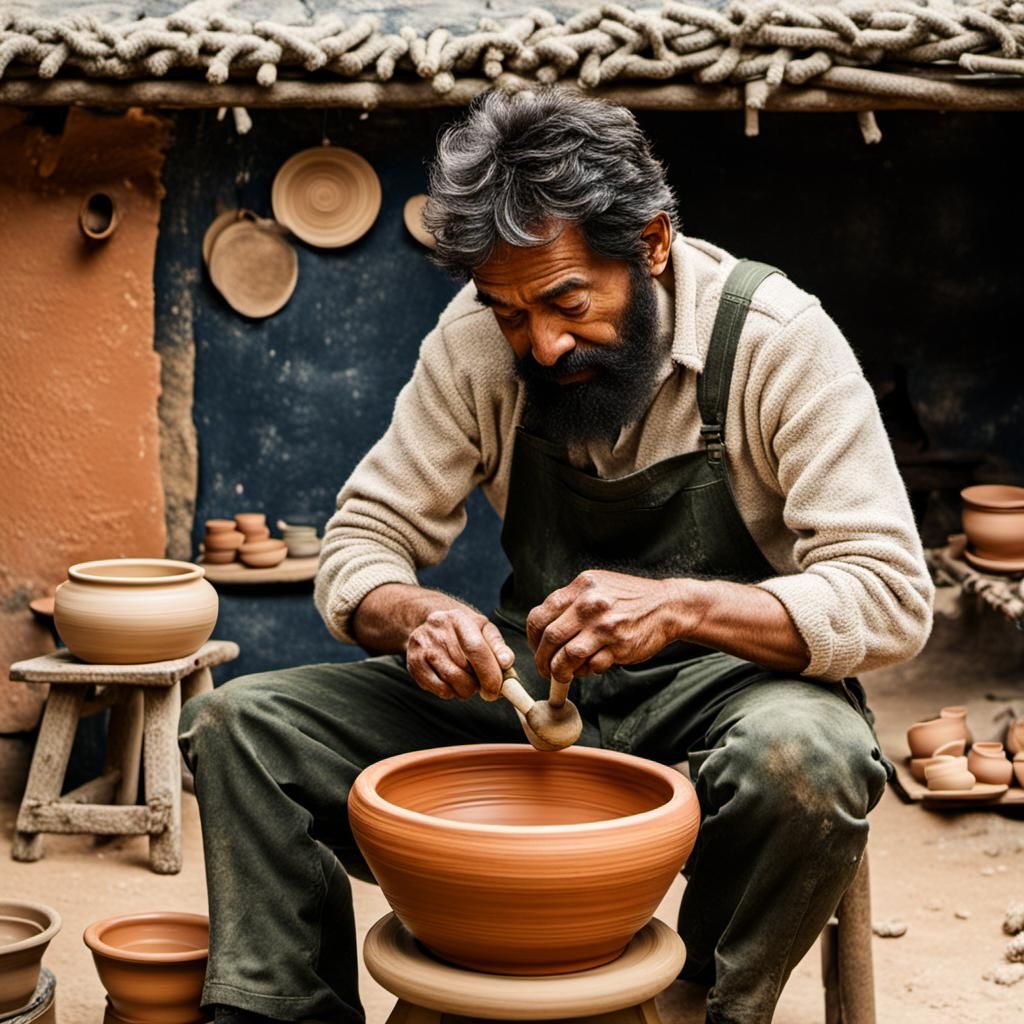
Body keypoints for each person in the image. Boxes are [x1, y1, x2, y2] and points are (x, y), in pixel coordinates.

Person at [180, 89, 933, 1024]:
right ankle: (281, 1008)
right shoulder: (477, 343)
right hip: (538, 695)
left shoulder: (776, 343)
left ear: (651, 245)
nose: (542, 341)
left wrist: (684, 608)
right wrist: (414, 614)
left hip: (731, 695)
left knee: (807, 759)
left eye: (568, 299)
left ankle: (700, 1005)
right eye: (508, 311)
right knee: (239, 728)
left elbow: (893, 596)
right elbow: (362, 542)